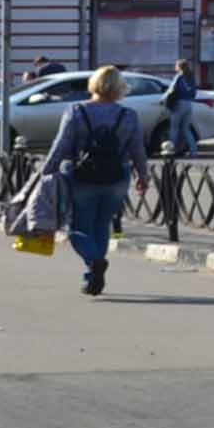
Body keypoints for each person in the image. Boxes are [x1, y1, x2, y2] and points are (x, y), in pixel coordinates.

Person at [34, 65, 150, 296]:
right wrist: (143, 175)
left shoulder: (76, 111)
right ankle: (93, 276)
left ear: (93, 84)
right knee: (101, 225)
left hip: (81, 176)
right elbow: (137, 148)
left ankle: (94, 261)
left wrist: (46, 173)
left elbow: (61, 145)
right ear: (120, 88)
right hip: (117, 177)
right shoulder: (128, 115)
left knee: (77, 227)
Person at [163, 59, 200, 157]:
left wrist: (163, 99)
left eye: (176, 65)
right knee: (186, 128)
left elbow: (171, 89)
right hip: (189, 103)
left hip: (179, 103)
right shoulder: (191, 77)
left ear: (179, 67)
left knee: (174, 128)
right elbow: (194, 91)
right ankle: (194, 151)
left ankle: (170, 150)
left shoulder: (179, 76)